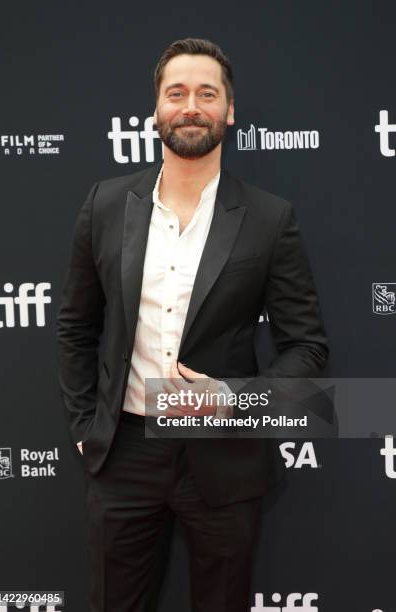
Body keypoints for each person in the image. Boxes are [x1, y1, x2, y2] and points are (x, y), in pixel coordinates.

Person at [57, 37, 329, 612]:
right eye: (176, 92)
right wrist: (87, 427)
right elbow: (76, 327)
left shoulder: (268, 218)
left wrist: (233, 400)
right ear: (155, 110)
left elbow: (306, 348)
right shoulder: (105, 205)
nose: (191, 106)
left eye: (207, 93)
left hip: (225, 458)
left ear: (229, 112)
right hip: (124, 454)